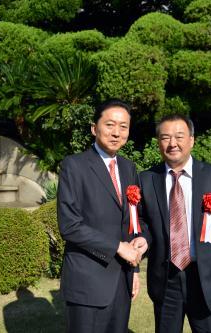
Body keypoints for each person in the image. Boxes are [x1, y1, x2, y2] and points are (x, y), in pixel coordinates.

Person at [139, 114, 211, 333]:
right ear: (159, 142)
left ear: (192, 140)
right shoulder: (146, 179)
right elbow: (143, 223)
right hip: (166, 279)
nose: (172, 143)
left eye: (179, 136)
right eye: (165, 137)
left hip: (209, 278)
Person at [57, 99, 150, 333]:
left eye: (123, 126)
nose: (117, 133)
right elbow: (70, 225)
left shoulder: (129, 168)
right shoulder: (74, 166)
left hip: (122, 279)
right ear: (94, 128)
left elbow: (134, 218)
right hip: (88, 280)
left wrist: (139, 249)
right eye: (110, 125)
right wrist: (118, 247)